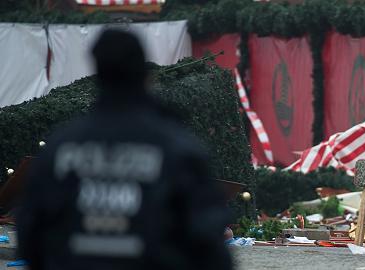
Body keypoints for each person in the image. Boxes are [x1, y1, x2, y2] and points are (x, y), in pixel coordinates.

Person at [17, 29, 232, 270]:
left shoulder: (61, 146)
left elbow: (30, 235)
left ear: (98, 74)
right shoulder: (176, 147)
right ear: (144, 76)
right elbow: (209, 244)